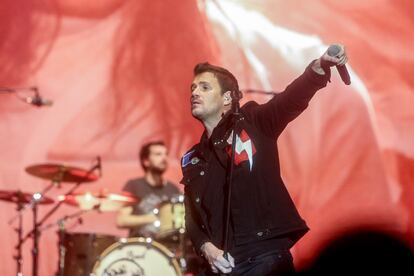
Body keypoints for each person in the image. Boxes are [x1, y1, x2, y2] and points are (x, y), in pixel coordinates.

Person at [181, 44, 348, 275]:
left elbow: (290, 100)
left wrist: (319, 67)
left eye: (204, 87)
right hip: (223, 267)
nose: (194, 93)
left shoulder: (252, 123)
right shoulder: (193, 159)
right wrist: (206, 247)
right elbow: (191, 216)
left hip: (264, 258)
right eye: (193, 88)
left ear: (227, 97)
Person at [117, 141, 181, 238]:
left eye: (166, 154)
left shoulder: (174, 189)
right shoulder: (133, 185)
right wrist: (153, 218)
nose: (164, 158)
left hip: (167, 247)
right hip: (140, 246)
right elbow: (121, 220)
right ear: (146, 161)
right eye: (158, 154)